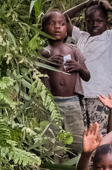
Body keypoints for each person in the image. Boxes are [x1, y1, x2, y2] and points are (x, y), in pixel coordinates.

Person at [63, 0, 112, 129]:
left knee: (99, 133)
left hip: (100, 95)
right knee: (82, 134)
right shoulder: (81, 36)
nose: (94, 24)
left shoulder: (109, 36)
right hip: (80, 93)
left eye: (99, 21)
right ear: (85, 23)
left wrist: (110, 8)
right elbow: (62, 19)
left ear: (107, 22)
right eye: (90, 21)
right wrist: (84, 4)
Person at [38, 10, 90, 154]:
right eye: (51, 24)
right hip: (51, 104)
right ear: (43, 30)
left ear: (66, 31)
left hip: (72, 102)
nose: (57, 27)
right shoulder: (43, 52)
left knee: (78, 142)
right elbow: (34, 75)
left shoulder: (74, 49)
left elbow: (87, 76)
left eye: (61, 24)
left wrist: (79, 67)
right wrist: (47, 63)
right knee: (52, 144)